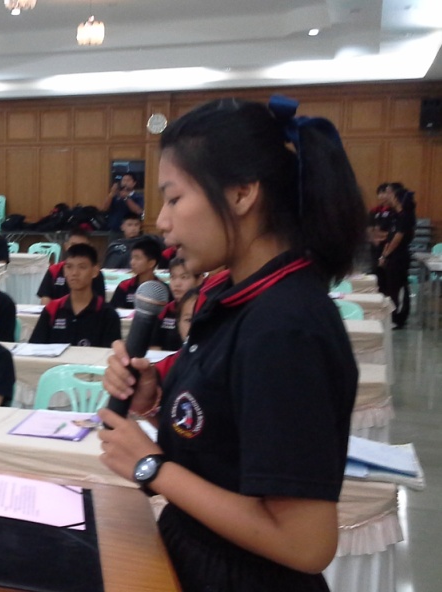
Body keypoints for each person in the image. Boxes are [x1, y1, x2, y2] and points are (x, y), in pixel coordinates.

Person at [98, 96, 366, 592]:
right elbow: (228, 441)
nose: (162, 221)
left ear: (242, 194)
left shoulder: (286, 326)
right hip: (196, 555)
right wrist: (155, 402)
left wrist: (151, 466)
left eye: (174, 198)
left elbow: (305, 543)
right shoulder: (235, 296)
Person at [29, 243, 121, 347]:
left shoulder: (108, 314)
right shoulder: (51, 310)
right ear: (64, 271)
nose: (74, 273)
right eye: (69, 267)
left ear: (95, 271)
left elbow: (110, 353)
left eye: (82, 267)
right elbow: (34, 348)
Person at [375, 183, 415, 329]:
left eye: (390, 194)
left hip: (400, 257)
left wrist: (386, 254)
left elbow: (397, 239)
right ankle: (389, 316)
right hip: (390, 256)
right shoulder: (395, 216)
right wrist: (383, 256)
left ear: (397, 198)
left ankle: (398, 318)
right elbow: (390, 238)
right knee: (388, 287)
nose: (387, 197)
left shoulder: (406, 216)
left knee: (397, 288)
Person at [37, 228, 106, 304]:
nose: (77, 249)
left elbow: (99, 303)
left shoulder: (94, 273)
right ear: (66, 246)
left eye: (82, 246)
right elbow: (45, 301)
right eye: (73, 245)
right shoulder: (53, 270)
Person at [151, 257, 201, 351]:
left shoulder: (205, 309)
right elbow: (154, 346)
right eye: (173, 277)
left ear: (199, 280)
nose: (177, 284)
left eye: (184, 277)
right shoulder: (166, 310)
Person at [109, 236, 166, 309]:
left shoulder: (163, 289)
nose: (132, 262)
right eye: (132, 258)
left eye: (137, 258)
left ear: (151, 263)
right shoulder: (124, 286)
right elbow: (113, 310)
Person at [102, 171, 144, 236]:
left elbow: (139, 211)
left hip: (131, 231)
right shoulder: (115, 196)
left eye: (128, 180)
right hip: (114, 231)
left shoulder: (138, 196)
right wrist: (111, 193)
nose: (125, 182)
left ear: (134, 183)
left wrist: (126, 198)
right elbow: (104, 208)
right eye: (123, 180)